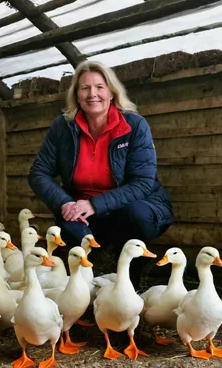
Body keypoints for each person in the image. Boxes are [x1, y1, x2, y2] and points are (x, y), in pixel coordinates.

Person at [28, 60, 174, 287]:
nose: (92, 94)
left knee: (137, 215)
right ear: (76, 95)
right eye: (84, 88)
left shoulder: (134, 126)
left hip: (130, 206)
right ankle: (82, 289)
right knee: (69, 227)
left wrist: (95, 205)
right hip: (82, 208)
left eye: (99, 87)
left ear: (112, 93)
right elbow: (39, 173)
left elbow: (143, 182)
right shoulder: (62, 127)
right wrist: (65, 203)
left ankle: (130, 285)